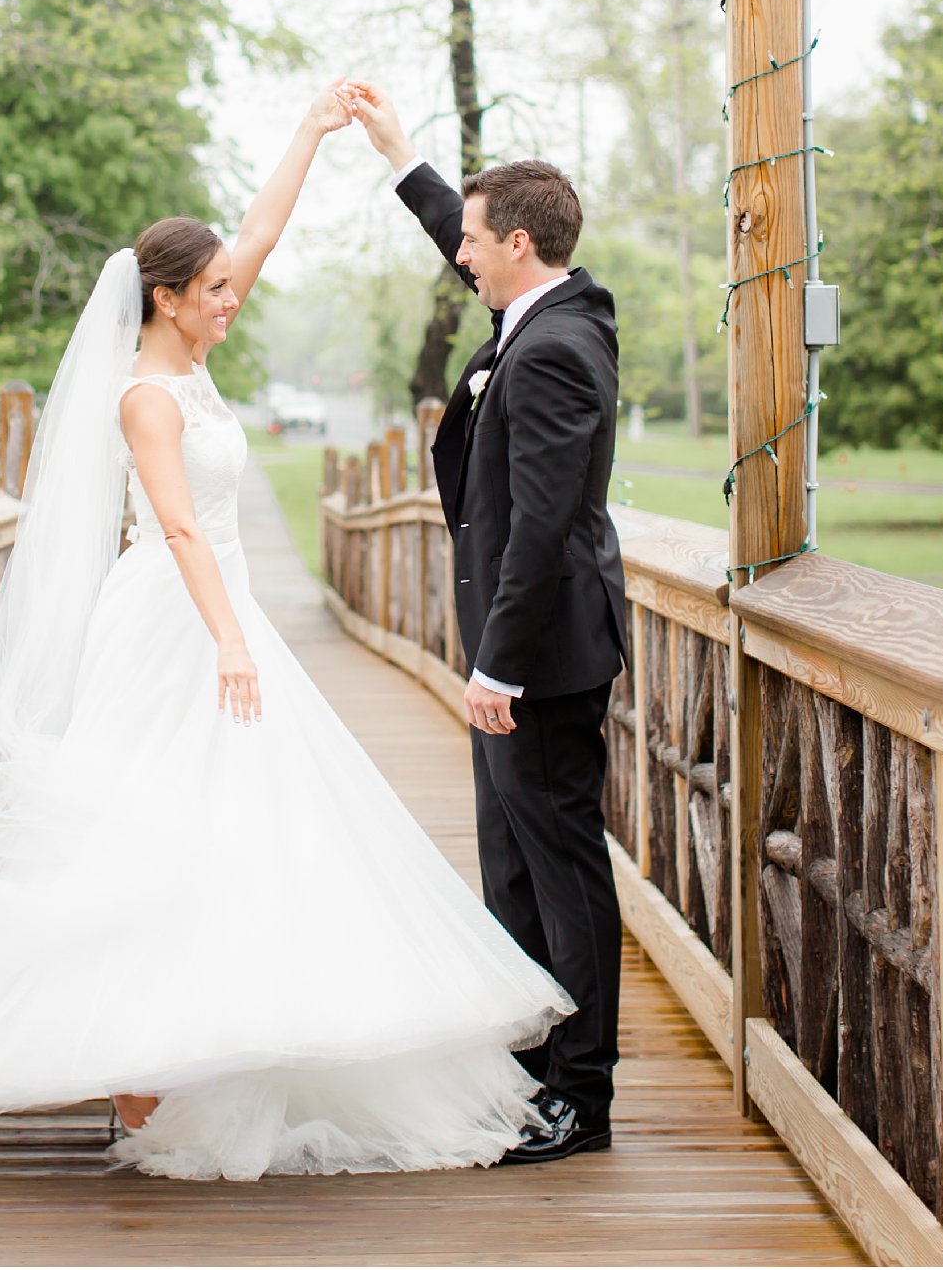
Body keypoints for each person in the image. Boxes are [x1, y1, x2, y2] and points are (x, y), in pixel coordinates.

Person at [0, 83, 573, 1182]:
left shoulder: (192, 358)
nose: (231, 300)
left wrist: (309, 134)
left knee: (244, 821)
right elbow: (183, 529)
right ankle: (138, 1069)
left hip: (223, 608)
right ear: (162, 300)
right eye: (213, 294)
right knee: (153, 829)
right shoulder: (146, 397)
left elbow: (257, 232)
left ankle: (215, 1039)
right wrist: (231, 640)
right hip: (175, 618)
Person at [342, 82, 628, 1163]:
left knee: (560, 870)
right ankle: (529, 1063)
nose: (457, 256)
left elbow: (545, 527)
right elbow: (455, 237)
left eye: (470, 239)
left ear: (514, 242)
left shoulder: (554, 349)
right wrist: (400, 155)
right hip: (513, 654)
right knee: (509, 866)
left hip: (539, 661)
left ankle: (581, 1096)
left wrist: (497, 668)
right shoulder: (534, 311)